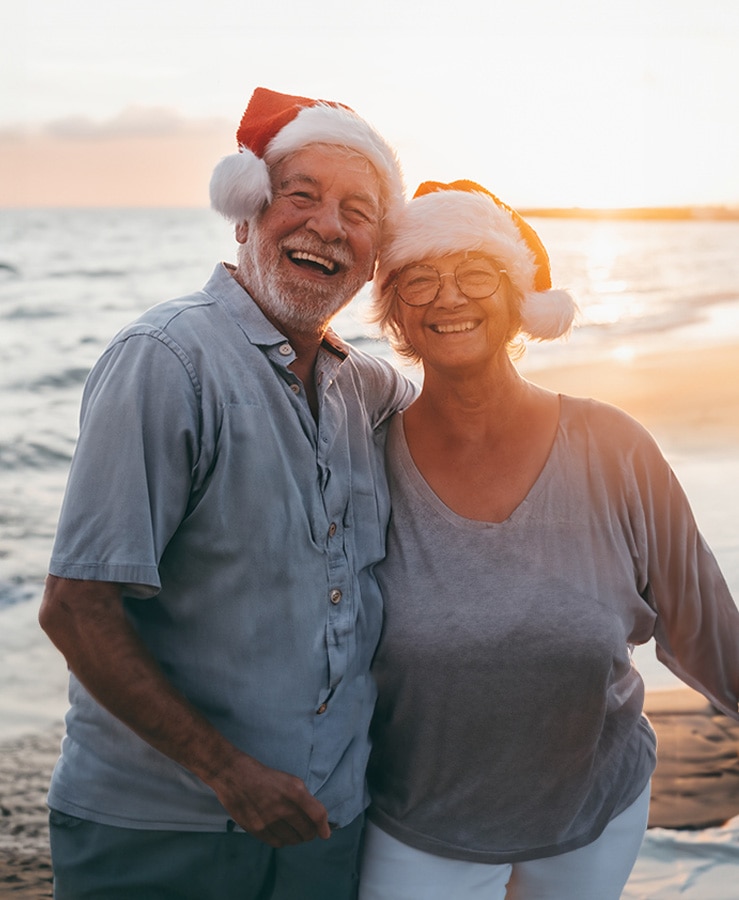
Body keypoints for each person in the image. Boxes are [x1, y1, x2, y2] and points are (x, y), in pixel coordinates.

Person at [39, 86, 417, 900]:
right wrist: (228, 774)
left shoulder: (366, 389)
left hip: (326, 825)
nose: (328, 225)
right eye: (302, 196)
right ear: (245, 212)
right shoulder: (165, 361)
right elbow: (75, 607)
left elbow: (469, 406)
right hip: (165, 834)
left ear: (375, 251)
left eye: (358, 211)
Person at [358, 179, 739, 900]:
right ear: (393, 311)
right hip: (414, 822)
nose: (447, 297)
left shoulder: (611, 446)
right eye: (419, 279)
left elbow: (705, 625)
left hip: (591, 814)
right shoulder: (361, 458)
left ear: (517, 299)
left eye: (474, 272)